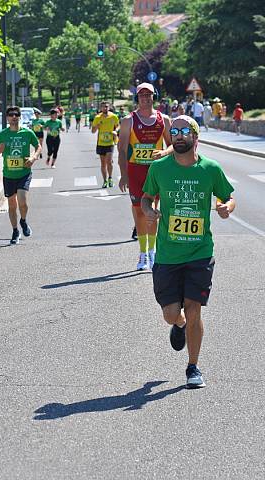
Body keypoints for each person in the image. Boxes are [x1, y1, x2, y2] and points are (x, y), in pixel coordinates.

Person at [141, 115, 235, 388]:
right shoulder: (159, 168)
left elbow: (228, 197)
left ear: (196, 137)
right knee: (171, 313)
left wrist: (226, 208)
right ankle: (178, 324)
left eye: (185, 131)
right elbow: (147, 198)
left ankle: (193, 367)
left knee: (195, 309)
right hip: (169, 254)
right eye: (175, 131)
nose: (179, 135)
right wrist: (149, 212)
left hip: (200, 253)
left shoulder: (210, 168)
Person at [118, 82, 172, 270]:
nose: (145, 98)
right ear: (137, 98)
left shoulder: (163, 119)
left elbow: (173, 145)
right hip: (135, 171)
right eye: (141, 95)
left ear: (154, 97)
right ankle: (142, 254)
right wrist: (123, 174)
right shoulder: (128, 120)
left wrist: (164, 154)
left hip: (156, 172)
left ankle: (153, 251)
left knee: (152, 213)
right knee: (139, 212)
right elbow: (122, 149)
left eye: (148, 95)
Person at [0, 106, 41, 245]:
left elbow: (38, 147)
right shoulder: (3, 134)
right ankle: (15, 231)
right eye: (11, 115)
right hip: (8, 175)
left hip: (24, 173)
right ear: (7, 118)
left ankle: (23, 221)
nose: (13, 117)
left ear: (19, 117)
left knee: (23, 201)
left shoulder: (27, 133)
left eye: (16, 114)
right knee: (12, 205)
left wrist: (33, 157)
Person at [92, 101, 119, 188]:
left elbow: (118, 126)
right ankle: (105, 181)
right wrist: (97, 126)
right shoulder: (97, 118)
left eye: (106, 107)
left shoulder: (113, 116)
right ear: (100, 108)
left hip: (110, 142)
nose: (105, 108)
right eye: (103, 107)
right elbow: (93, 131)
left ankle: (110, 178)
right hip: (101, 143)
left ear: (109, 107)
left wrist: (116, 131)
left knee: (109, 162)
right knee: (103, 163)